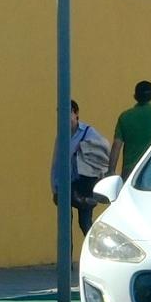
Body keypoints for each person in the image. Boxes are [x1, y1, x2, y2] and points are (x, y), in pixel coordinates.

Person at [52, 100, 110, 234]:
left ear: (76, 113)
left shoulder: (89, 132)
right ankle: (67, 255)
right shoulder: (61, 136)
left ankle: (94, 252)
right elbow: (56, 162)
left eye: (68, 113)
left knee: (85, 223)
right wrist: (54, 186)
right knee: (65, 227)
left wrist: (85, 147)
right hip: (66, 183)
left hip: (84, 184)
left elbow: (102, 151)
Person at [109, 80, 151, 178]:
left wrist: (111, 171)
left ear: (135, 97)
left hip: (130, 171)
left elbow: (116, 146)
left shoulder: (125, 117)